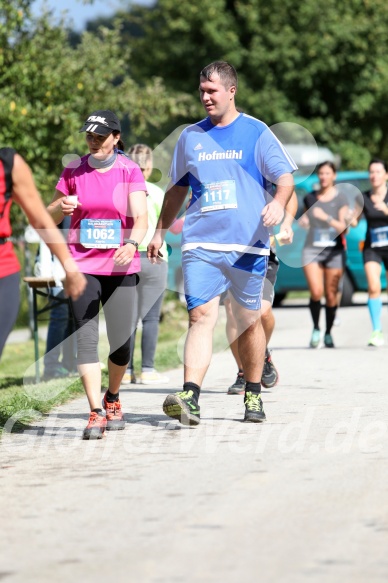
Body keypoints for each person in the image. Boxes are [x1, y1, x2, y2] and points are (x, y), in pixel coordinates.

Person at [148, 61, 296, 425]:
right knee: (200, 316)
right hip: (201, 243)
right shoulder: (190, 137)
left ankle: (253, 393)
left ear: (231, 91)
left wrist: (278, 205)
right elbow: (177, 189)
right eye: (201, 91)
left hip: (247, 244)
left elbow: (285, 178)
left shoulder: (256, 132)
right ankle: (190, 396)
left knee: (247, 320)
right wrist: (159, 231)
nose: (205, 97)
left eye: (211, 91)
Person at [47, 110, 148, 439]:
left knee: (122, 345)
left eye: (100, 136)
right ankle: (94, 412)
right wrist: (59, 209)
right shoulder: (74, 170)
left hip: (121, 265)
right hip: (83, 265)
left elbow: (141, 217)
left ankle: (113, 396)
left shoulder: (129, 170)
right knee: (86, 339)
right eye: (89, 136)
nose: (93, 142)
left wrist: (132, 243)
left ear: (116, 138)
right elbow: (47, 212)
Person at [0, 147, 86, 362]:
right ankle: (53, 365)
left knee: (72, 314)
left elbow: (41, 220)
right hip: (50, 267)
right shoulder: (66, 196)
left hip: (4, 270)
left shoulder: (9, 163)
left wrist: (70, 267)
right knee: (61, 314)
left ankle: (64, 364)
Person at [226, 191, 298, 394]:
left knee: (262, 312)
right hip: (231, 254)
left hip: (263, 254)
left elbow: (290, 192)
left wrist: (287, 223)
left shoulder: (263, 165)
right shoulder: (224, 166)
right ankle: (243, 371)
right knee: (233, 313)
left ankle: (262, 352)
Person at [122, 144, 169, 385]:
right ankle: (147, 369)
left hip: (128, 256)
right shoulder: (158, 193)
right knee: (151, 318)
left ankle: (126, 370)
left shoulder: (122, 191)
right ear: (149, 166)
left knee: (128, 318)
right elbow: (166, 223)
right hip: (155, 257)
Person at [299, 161, 349, 348]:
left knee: (330, 294)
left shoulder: (341, 199)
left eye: (327, 173)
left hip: (334, 251)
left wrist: (325, 217)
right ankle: (316, 328)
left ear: (334, 176)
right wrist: (305, 221)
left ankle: (328, 332)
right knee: (316, 291)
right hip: (312, 249)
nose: (323, 177)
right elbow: (306, 220)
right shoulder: (310, 198)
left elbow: (344, 229)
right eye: (321, 173)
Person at [351, 158, 388, 346]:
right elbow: (355, 220)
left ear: (386, 175)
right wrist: (350, 218)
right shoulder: (363, 197)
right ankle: (376, 331)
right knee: (374, 287)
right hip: (372, 247)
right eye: (371, 172)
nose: (374, 176)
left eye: (378, 172)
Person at [42, 216, 77, 380]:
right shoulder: (63, 208)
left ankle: (70, 364)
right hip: (57, 272)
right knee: (60, 317)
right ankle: (51, 368)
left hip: (77, 272)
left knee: (73, 319)